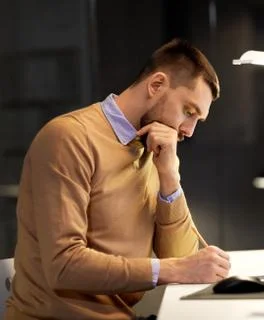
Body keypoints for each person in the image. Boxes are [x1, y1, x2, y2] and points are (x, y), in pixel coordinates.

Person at [5, 38, 231, 320]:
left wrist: (170, 177)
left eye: (198, 119)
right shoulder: (69, 138)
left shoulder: (154, 147)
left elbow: (184, 258)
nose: (189, 130)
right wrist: (173, 269)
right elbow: (63, 265)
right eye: (188, 112)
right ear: (156, 85)